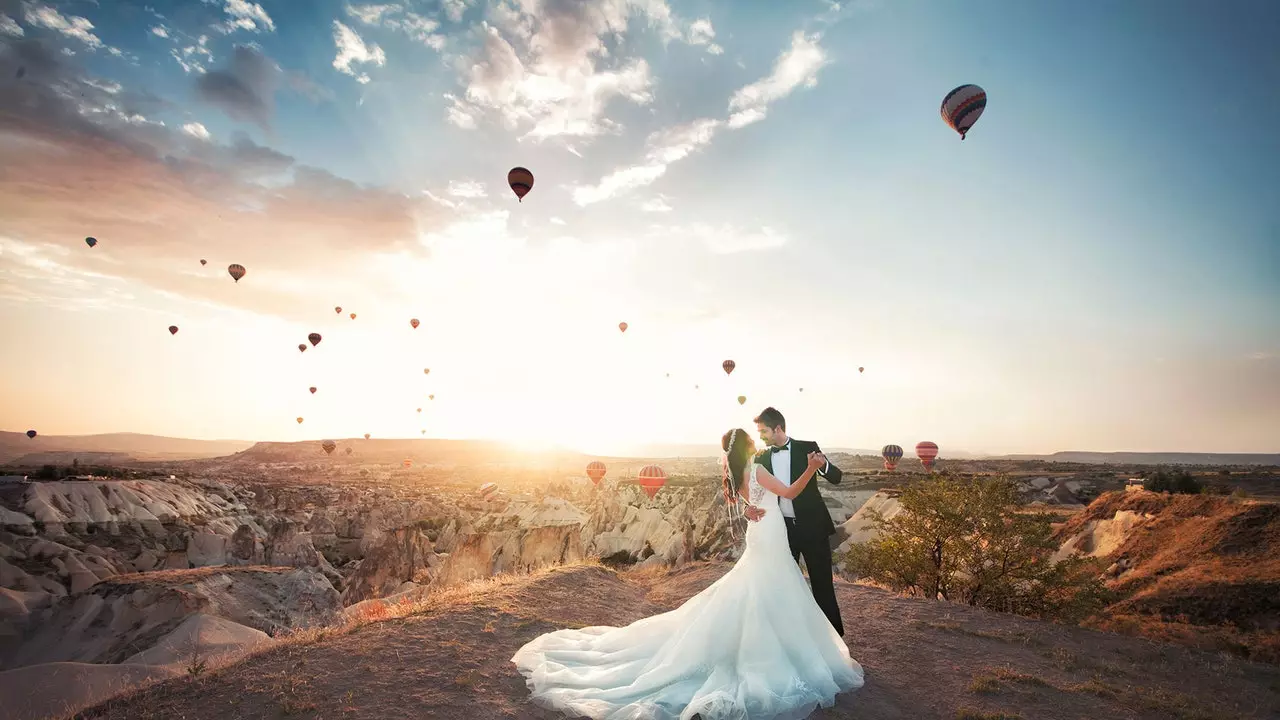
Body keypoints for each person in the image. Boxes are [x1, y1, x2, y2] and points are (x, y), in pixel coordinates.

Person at [510, 428, 864, 720]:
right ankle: (780, 652)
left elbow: (746, 501)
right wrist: (810, 467)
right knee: (773, 587)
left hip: (761, 532)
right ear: (749, 446)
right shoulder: (757, 468)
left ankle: (760, 646)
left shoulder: (739, 471)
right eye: (754, 439)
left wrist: (750, 509)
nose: (758, 441)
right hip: (769, 534)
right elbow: (788, 492)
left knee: (759, 587)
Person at [745, 407, 846, 636]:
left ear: (778, 428)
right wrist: (746, 509)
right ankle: (790, 639)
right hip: (781, 532)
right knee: (784, 587)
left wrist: (823, 464)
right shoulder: (761, 457)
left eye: (763, 431)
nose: (760, 436)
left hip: (813, 529)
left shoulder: (807, 447)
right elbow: (755, 492)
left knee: (822, 587)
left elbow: (836, 478)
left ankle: (834, 640)